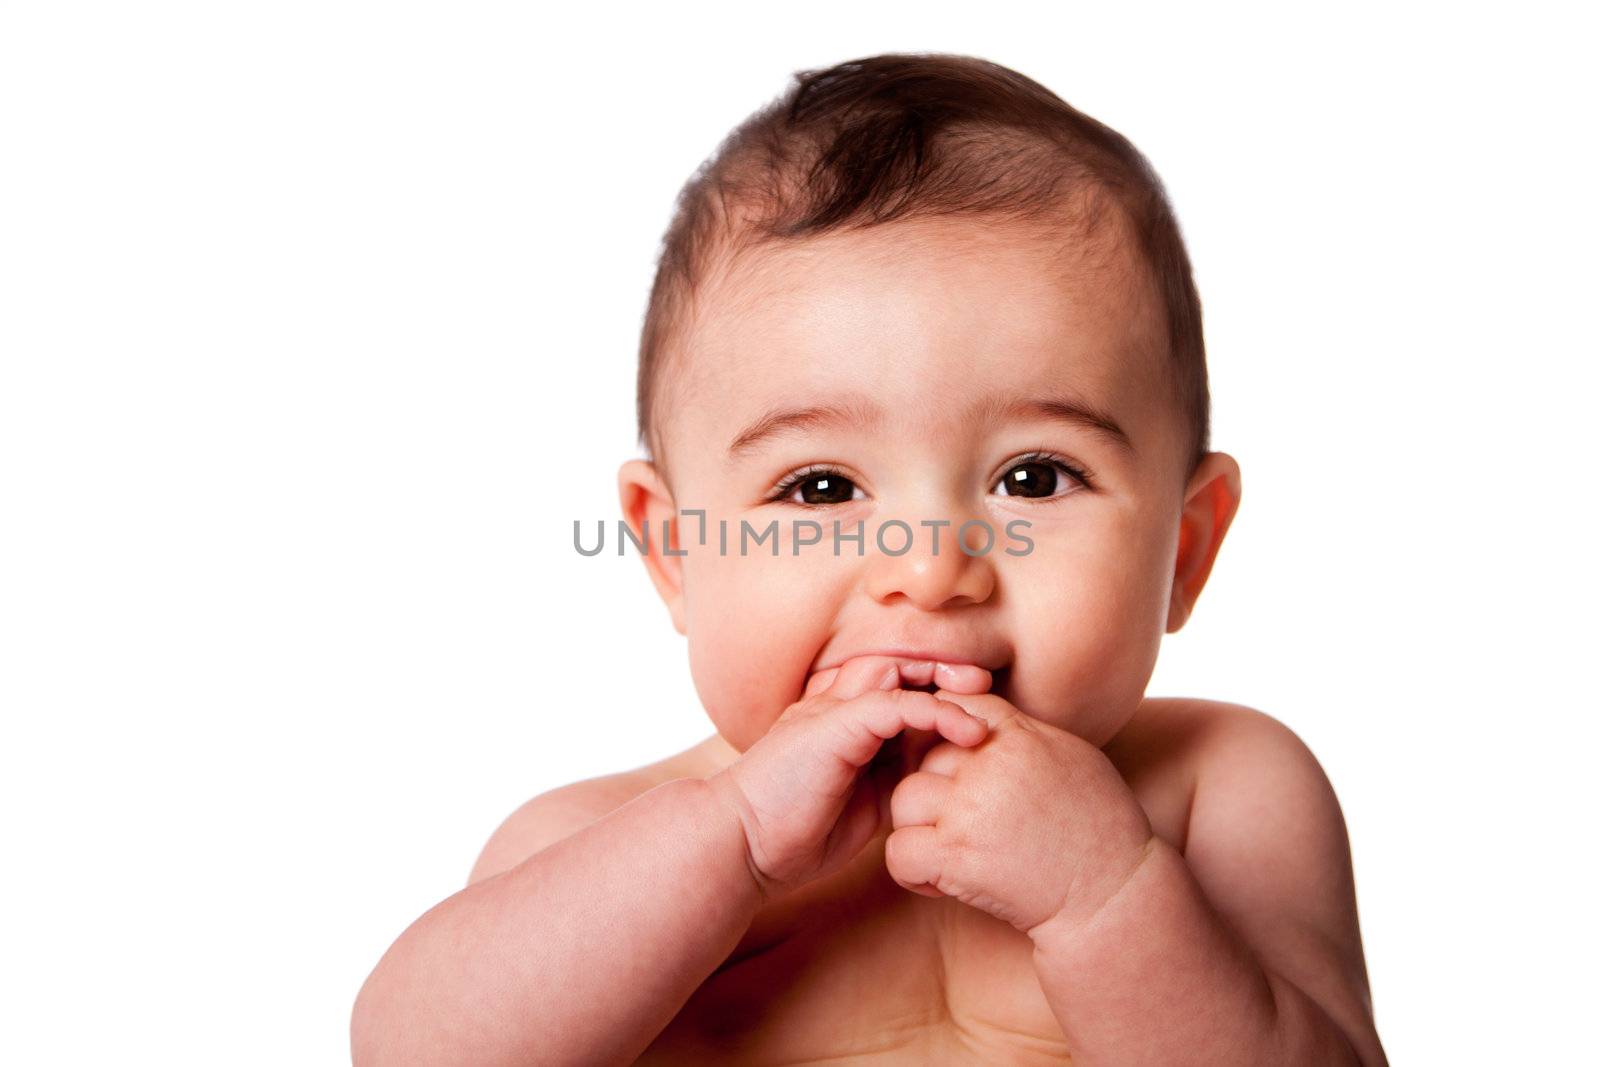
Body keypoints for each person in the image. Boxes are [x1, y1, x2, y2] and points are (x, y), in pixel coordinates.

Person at [352, 51, 1387, 1065]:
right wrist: (732, 842)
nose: (931, 570)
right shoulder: (594, 842)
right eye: (820, 488)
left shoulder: (1219, 790)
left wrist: (1109, 895)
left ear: (1185, 547)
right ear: (675, 550)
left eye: (1032, 478)